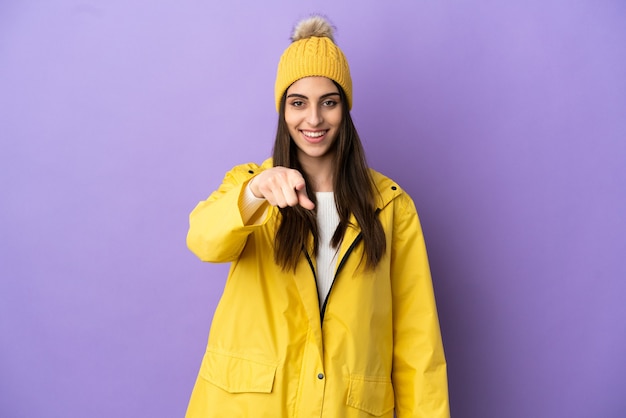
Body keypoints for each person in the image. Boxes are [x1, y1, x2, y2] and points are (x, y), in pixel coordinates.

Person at [185, 15, 450, 418]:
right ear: (282, 110)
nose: (313, 120)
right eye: (298, 103)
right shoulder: (251, 187)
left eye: (329, 101)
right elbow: (203, 240)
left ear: (345, 108)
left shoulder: (391, 207)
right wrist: (255, 193)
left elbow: (418, 345)